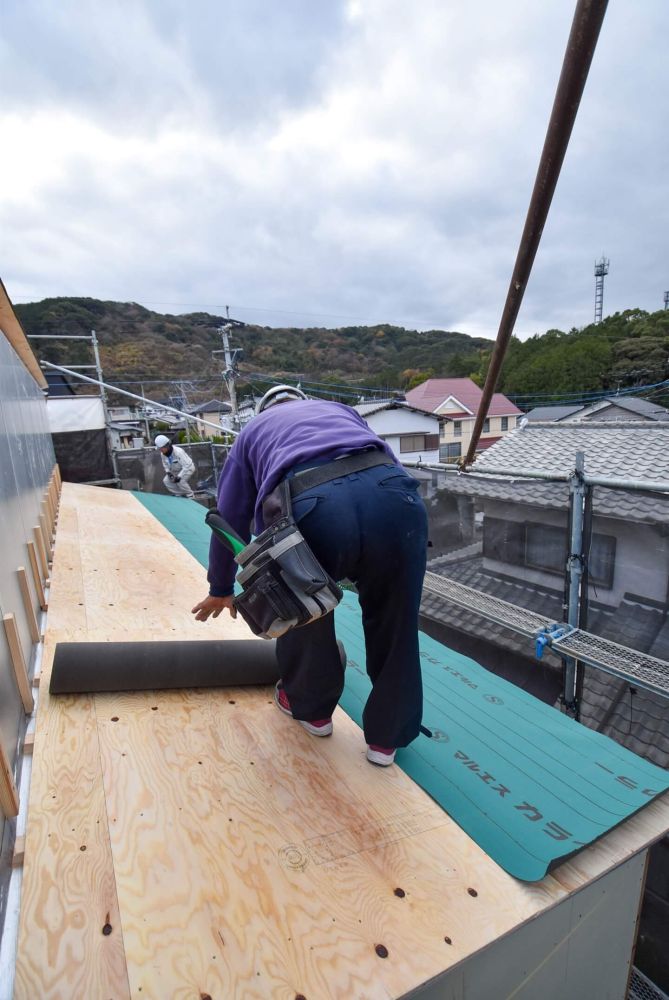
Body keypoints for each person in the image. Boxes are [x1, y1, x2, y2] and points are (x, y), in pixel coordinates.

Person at [191, 386, 428, 766]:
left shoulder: (253, 430)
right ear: (301, 402)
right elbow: (381, 461)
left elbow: (229, 516)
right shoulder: (339, 409)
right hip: (395, 501)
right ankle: (387, 740)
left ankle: (314, 712)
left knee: (302, 609)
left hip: (314, 505)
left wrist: (220, 586)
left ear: (266, 409)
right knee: (395, 621)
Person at [155, 434, 196, 498]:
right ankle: (179, 494)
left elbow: (187, 466)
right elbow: (165, 464)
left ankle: (190, 495)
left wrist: (179, 477)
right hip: (176, 470)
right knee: (166, 481)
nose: (160, 450)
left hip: (188, 468)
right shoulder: (163, 454)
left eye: (161, 448)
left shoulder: (178, 452)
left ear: (167, 446)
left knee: (180, 481)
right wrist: (168, 472)